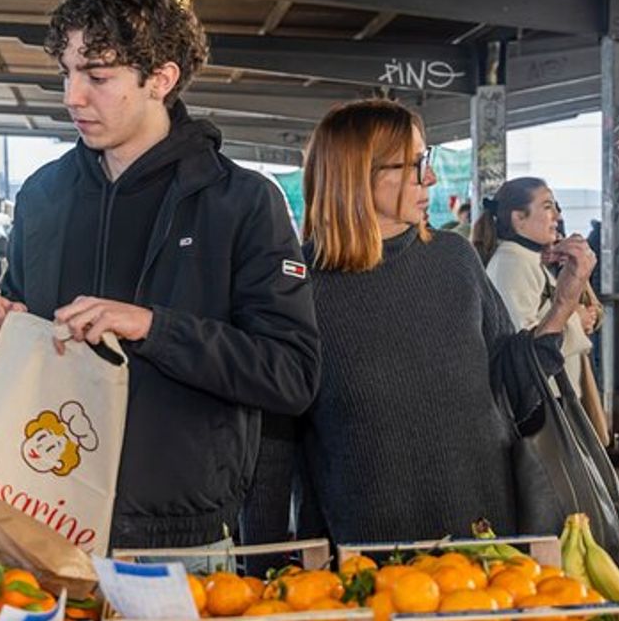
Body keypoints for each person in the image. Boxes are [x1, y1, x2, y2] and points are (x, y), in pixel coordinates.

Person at [0, 0, 320, 549]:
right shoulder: (42, 196)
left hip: (178, 536)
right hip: (42, 516)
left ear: (162, 78)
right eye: (67, 73)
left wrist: (153, 327)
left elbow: (290, 375)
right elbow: (21, 341)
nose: (73, 97)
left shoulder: (241, 202)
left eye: (97, 76)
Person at [241, 100, 596, 544]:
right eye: (415, 163)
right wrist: (262, 566)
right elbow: (273, 448)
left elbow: (512, 383)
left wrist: (562, 303)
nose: (429, 177)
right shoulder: (296, 285)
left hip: (485, 543)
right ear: (359, 172)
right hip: (363, 563)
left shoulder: (455, 258)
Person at [478, 179, 602, 415]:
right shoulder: (512, 263)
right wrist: (577, 321)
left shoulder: (529, 259)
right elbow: (521, 344)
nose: (557, 215)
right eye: (547, 206)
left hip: (550, 394)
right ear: (518, 217)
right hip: (540, 401)